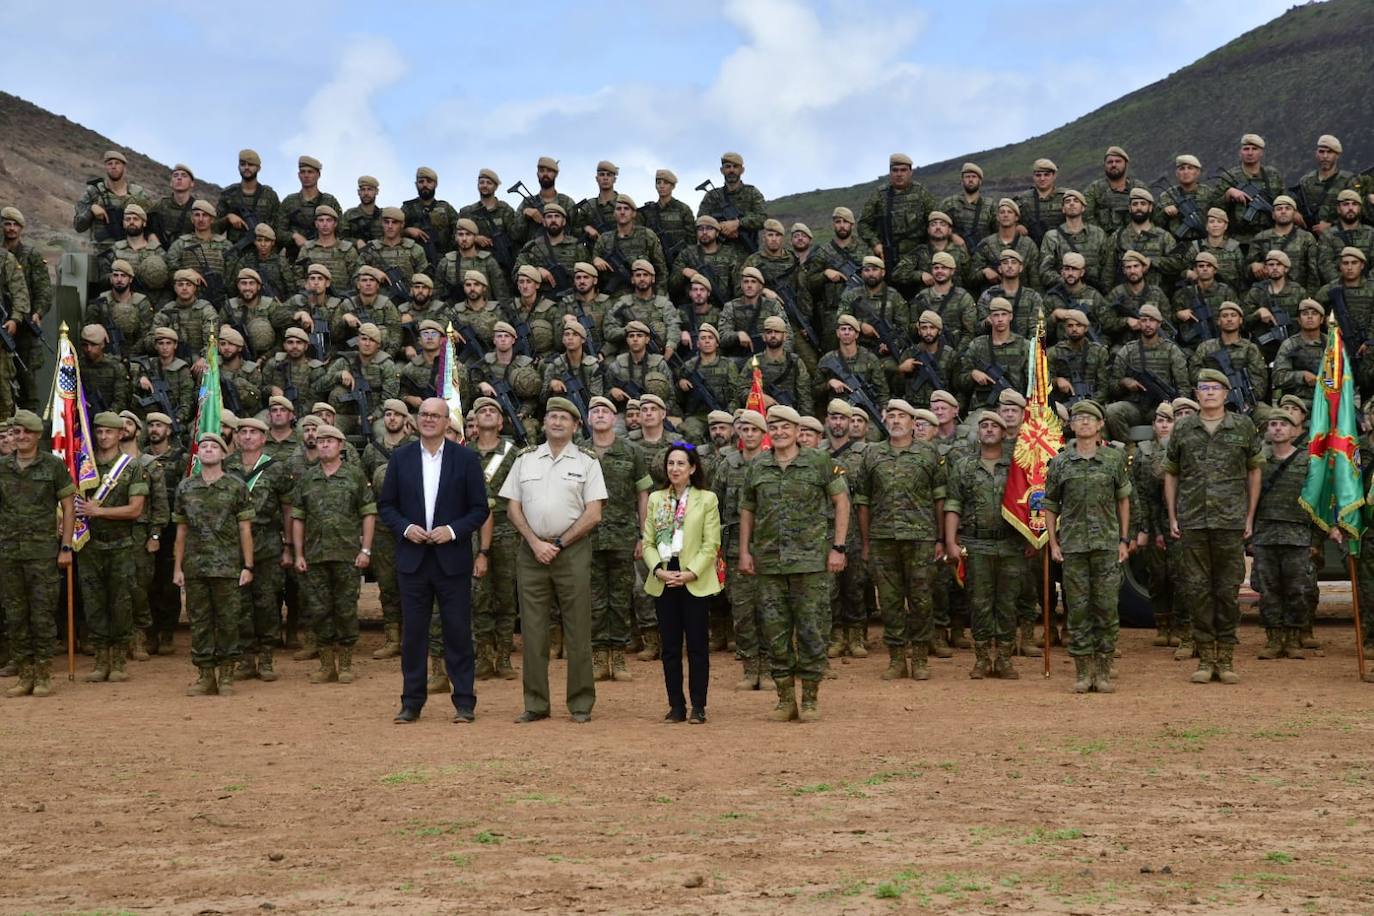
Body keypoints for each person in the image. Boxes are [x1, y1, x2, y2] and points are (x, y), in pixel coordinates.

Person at [378, 397, 489, 723]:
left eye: (435, 415)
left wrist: (452, 531)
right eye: (423, 414)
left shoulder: (465, 459)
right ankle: (411, 702)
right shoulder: (401, 458)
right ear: (416, 420)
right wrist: (406, 528)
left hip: (451, 560)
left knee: (457, 632)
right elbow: (387, 506)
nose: (428, 419)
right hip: (413, 560)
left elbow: (479, 509)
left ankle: (464, 701)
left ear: (446, 422)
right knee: (413, 635)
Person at [499, 397, 607, 723]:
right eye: (552, 417)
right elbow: (512, 507)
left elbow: (594, 513)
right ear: (544, 423)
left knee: (578, 629)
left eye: (564, 418)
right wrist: (535, 543)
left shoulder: (587, 462)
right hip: (531, 552)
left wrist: (559, 543)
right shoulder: (526, 459)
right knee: (533, 631)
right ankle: (535, 703)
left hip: (572, 551)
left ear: (576, 426)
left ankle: (581, 703)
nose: (557, 422)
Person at [739, 405, 849, 722]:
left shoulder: (819, 461)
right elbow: (747, 510)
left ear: (798, 431)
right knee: (775, 634)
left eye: (785, 426)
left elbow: (841, 502)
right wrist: (745, 551)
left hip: (810, 563)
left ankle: (810, 698)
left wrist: (838, 547)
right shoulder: (758, 465)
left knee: (813, 631)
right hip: (769, 564)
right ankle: (785, 700)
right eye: (774, 427)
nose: (779, 432)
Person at [1164, 368, 1262, 685]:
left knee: (1227, 590)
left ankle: (1226, 658)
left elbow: (1254, 472)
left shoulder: (1242, 426)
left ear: (1225, 393)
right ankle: (1206, 658)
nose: (1209, 393)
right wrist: (1173, 515)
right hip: (1193, 519)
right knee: (1197, 590)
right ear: (1196, 394)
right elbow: (1171, 472)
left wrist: (1249, 516)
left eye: (1215, 388)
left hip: (1230, 520)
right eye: (1203, 388)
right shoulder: (1183, 428)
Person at [1043, 400, 1132, 694]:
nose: (1084, 422)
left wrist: (1123, 539)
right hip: (1074, 546)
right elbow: (1051, 505)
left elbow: (1123, 500)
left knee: (1106, 608)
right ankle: (1083, 672)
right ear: (1071, 425)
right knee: (1078, 610)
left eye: (1090, 418)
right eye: (1079, 418)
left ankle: (1103, 670)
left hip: (1106, 544)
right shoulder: (1060, 462)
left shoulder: (1113, 460)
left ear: (1100, 425)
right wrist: (1053, 542)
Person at [642, 443, 722, 724]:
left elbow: (711, 544)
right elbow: (648, 542)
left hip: (693, 578)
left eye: (680, 464)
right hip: (664, 577)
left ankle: (698, 706)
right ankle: (676, 705)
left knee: (698, 646)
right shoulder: (656, 499)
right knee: (670, 648)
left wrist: (691, 572)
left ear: (692, 468)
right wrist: (657, 570)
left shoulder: (707, 499)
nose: (674, 469)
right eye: (670, 463)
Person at [291, 424, 376, 685]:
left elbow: (368, 513)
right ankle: (327, 665)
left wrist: (365, 549)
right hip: (315, 555)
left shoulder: (354, 476)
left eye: (330, 440)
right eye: (320, 441)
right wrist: (298, 553)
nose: (324, 445)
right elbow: (298, 517)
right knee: (319, 610)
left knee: (346, 609)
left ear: (341, 445)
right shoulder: (307, 478)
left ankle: (346, 664)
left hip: (347, 554)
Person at [172, 433, 255, 696]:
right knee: (200, 621)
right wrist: (177, 567)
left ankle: (227, 674)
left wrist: (248, 566)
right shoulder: (186, 487)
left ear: (223, 454)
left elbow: (245, 529)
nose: (208, 450)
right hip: (195, 567)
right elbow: (181, 531)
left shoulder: (236, 486)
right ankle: (206, 675)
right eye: (204, 446)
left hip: (227, 566)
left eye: (214, 446)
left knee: (229, 620)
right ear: (198, 455)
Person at [0, 410, 76, 698]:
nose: (20, 437)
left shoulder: (53, 465)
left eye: (26, 432)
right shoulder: (2, 466)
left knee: (42, 615)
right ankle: (25, 674)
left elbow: (68, 507)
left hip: (42, 553)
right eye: (16, 432)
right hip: (8, 552)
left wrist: (66, 547)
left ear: (37, 435)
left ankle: (43, 673)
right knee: (15, 615)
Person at [78, 412, 149, 682]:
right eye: (99, 431)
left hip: (121, 547)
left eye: (109, 432)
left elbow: (135, 509)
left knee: (121, 604)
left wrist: (99, 511)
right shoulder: (84, 465)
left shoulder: (132, 467)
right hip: (89, 547)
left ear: (120, 434)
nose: (103, 436)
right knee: (94, 604)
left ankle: (118, 661)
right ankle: (100, 660)